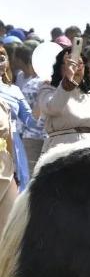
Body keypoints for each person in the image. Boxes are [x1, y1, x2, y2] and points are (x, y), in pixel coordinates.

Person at [37, 48, 90, 153]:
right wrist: (68, 80)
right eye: (71, 64)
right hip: (62, 151)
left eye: (80, 63)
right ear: (61, 68)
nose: (76, 68)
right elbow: (53, 108)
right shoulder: (48, 89)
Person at [0, 45, 36, 184]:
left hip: (14, 144)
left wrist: (43, 99)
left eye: (2, 59)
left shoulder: (14, 90)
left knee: (18, 185)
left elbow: (30, 120)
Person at [13, 45, 47, 172]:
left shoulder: (31, 85)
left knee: (31, 179)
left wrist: (17, 136)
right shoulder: (62, 84)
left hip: (32, 139)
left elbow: (22, 115)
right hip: (53, 138)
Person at [0, 100, 19, 236]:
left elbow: (9, 139)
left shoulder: (3, 104)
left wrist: (14, 167)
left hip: (6, 167)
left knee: (7, 229)